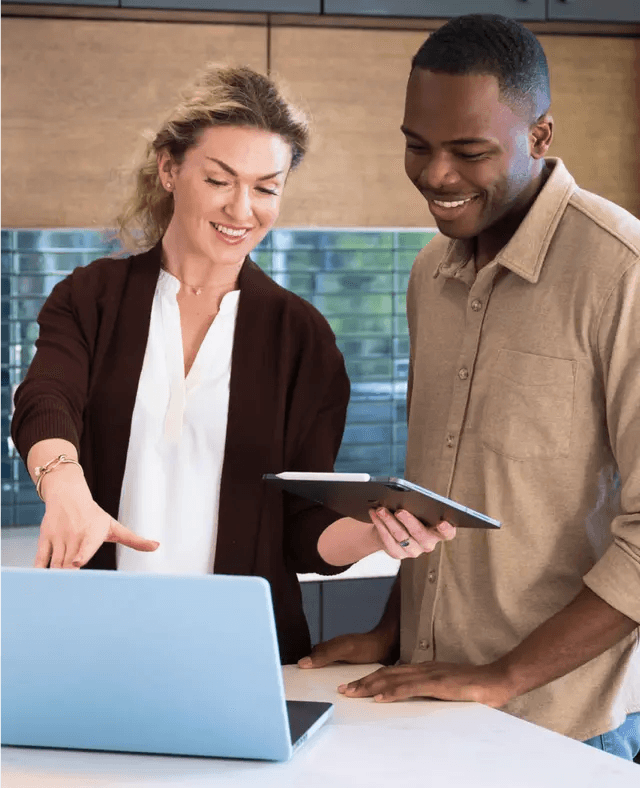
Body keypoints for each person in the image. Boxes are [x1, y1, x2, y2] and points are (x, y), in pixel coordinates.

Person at [11, 64, 455, 666]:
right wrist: (64, 486)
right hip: (94, 640)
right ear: (170, 170)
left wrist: (376, 534)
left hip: (242, 655)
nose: (242, 209)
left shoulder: (304, 339)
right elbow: (45, 400)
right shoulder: (91, 298)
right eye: (220, 180)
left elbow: (299, 528)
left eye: (267, 188)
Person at [299, 15, 640, 760]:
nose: (436, 175)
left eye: (470, 151)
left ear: (541, 136)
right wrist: (393, 631)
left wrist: (503, 676)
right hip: (429, 703)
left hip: (566, 727)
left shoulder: (623, 271)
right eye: (417, 146)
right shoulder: (431, 274)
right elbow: (440, 492)